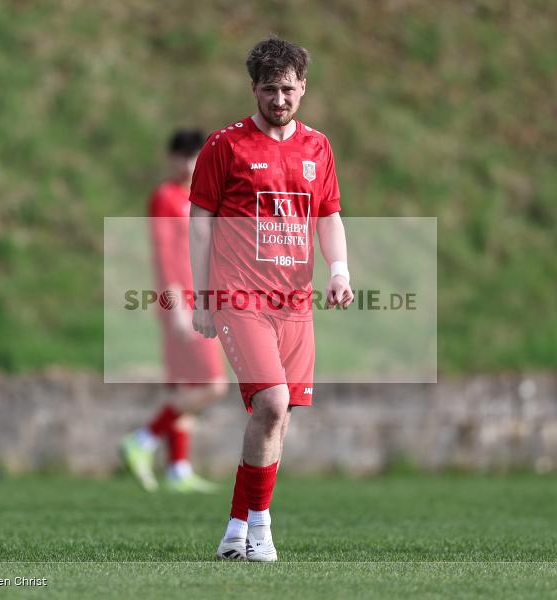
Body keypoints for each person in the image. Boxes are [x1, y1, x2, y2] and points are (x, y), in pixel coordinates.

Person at [188, 37, 354, 561]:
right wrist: (203, 296)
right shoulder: (225, 146)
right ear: (252, 89)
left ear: (303, 88)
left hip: (295, 302)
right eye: (268, 89)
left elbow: (328, 214)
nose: (278, 99)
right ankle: (260, 527)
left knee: (277, 418)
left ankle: (238, 530)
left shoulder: (317, 147)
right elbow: (199, 225)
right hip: (240, 297)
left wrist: (340, 271)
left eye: (287, 89)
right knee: (272, 402)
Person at [121, 130, 229, 493]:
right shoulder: (165, 198)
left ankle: (178, 470)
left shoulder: (206, 198)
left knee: (188, 387)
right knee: (214, 385)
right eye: (181, 157)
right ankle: (144, 438)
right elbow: (166, 255)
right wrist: (179, 306)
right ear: (171, 159)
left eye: (194, 156)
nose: (188, 164)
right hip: (182, 304)